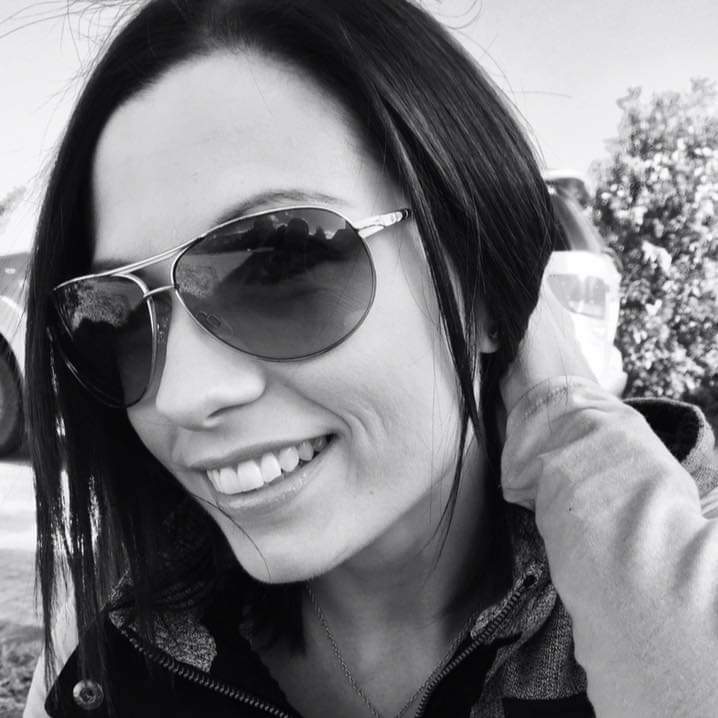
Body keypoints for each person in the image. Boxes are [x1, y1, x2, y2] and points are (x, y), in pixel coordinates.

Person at [22, 1, 718, 716]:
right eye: (116, 314)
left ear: (480, 278)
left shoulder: (673, 552)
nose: (182, 395)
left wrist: (571, 423)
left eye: (278, 265)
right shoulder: (113, 627)